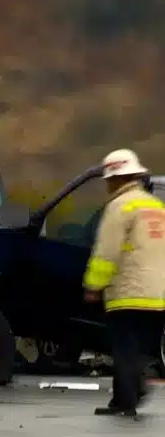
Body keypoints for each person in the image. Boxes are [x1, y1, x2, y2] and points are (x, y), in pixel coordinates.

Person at [83, 148, 165, 416]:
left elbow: (106, 252)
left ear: (118, 178)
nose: (107, 185)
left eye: (109, 180)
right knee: (138, 349)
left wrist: (94, 285)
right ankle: (129, 393)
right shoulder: (157, 207)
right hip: (157, 295)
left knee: (123, 348)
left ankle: (125, 402)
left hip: (128, 291)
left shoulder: (120, 206)